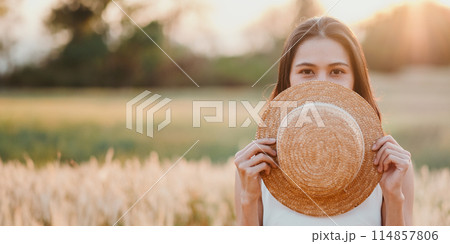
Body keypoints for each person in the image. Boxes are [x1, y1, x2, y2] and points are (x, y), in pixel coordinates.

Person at [234, 16, 414, 226]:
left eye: (337, 71)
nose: (322, 84)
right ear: (288, 80)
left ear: (355, 80)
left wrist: (393, 197)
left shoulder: (392, 166)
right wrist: (248, 199)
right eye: (306, 72)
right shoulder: (255, 166)